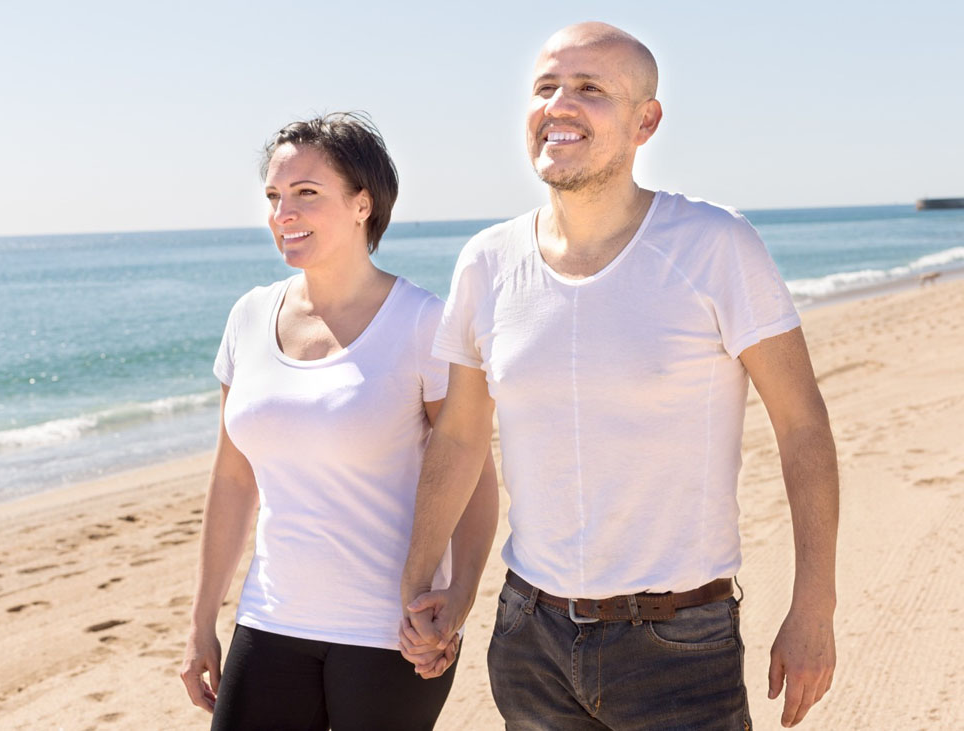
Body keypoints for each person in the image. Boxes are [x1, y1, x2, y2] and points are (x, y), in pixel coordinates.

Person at [400, 22, 838, 730]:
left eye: (590, 89)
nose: (560, 104)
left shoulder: (715, 244)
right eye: (546, 86)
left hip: (679, 642)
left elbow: (803, 426)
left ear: (646, 121)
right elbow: (457, 436)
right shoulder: (486, 261)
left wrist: (814, 606)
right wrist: (427, 580)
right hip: (529, 636)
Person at [179, 112, 498, 731]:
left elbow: (475, 476)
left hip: (390, 632)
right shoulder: (248, 317)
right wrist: (200, 623)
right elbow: (233, 481)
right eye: (273, 196)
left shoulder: (424, 323)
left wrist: (456, 603)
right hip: (270, 618)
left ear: (362, 204)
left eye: (306, 193)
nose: (282, 213)